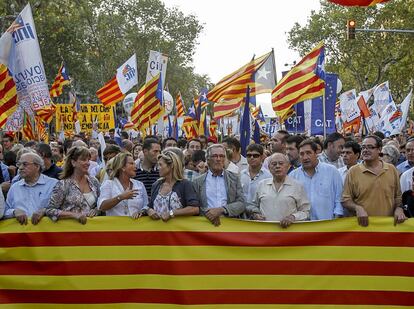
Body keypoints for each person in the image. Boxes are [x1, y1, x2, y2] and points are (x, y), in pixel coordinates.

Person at [342, 135, 405, 226]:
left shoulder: (391, 169)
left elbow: (398, 197)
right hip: (363, 228)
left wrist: (399, 209)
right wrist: (358, 208)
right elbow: (346, 200)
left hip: (387, 227)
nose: (365, 150)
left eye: (370, 147)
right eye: (363, 147)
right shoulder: (353, 171)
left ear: (379, 150)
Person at [247, 153, 310, 227]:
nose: (277, 166)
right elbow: (252, 206)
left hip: (289, 232)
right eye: (274, 164)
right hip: (265, 232)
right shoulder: (261, 185)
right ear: (269, 168)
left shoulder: (297, 186)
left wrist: (293, 217)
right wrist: (255, 214)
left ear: (288, 166)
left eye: (281, 163)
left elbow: (305, 212)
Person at [290, 139, 344, 220]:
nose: (305, 157)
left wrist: (336, 219)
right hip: (302, 226)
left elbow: (339, 198)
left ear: (316, 154)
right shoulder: (293, 176)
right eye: (301, 154)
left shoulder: (332, 171)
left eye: (308, 153)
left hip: (327, 225)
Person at [192, 144, 245, 226]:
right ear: (208, 159)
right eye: (214, 156)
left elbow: (241, 203)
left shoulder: (234, 178)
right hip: (206, 225)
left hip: (230, 225)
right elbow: (194, 206)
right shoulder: (197, 181)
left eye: (222, 156)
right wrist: (211, 214)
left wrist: (222, 210)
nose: (218, 159)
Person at [46, 146, 101, 224]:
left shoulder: (94, 181)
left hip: (92, 231)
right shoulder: (63, 184)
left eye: (88, 160)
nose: (88, 163)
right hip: (71, 232)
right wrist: (74, 215)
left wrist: (97, 210)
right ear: (73, 162)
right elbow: (50, 210)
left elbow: (101, 203)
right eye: (83, 160)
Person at [3, 153, 58, 224]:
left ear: (37, 166)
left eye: (25, 164)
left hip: (46, 232)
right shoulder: (14, 187)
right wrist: (14, 211)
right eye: (19, 164)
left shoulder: (53, 184)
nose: (20, 168)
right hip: (21, 233)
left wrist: (45, 211)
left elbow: (62, 208)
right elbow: (4, 211)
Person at [147, 150, 199, 221]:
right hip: (158, 230)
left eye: (160, 165)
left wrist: (172, 213)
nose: (158, 168)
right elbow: (149, 206)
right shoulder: (156, 185)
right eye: (157, 165)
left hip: (178, 230)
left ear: (171, 165)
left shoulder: (185, 184)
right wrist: (149, 210)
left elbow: (195, 209)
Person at [98, 153, 148, 218]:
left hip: (136, 226)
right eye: (131, 163)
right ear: (122, 167)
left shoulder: (139, 185)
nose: (135, 166)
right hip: (117, 226)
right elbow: (102, 206)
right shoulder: (109, 184)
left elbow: (146, 206)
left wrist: (141, 212)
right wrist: (120, 197)